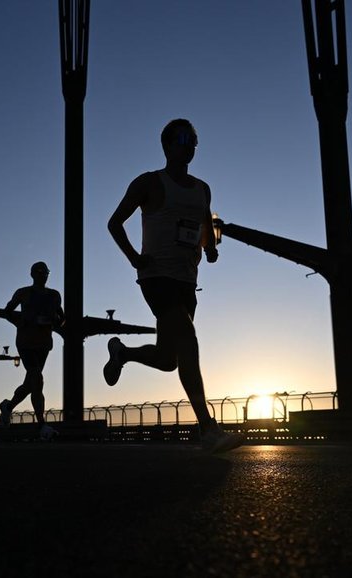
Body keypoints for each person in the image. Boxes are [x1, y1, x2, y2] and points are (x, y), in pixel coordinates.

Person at [104, 118, 245, 453]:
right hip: (156, 277)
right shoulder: (149, 182)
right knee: (188, 338)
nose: (189, 145)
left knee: (169, 359)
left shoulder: (202, 189)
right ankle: (207, 428)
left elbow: (206, 226)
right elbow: (114, 223)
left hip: (186, 280)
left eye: (193, 139)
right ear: (166, 145)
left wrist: (210, 248)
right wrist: (134, 258)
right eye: (182, 139)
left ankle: (123, 353)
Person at [0, 262, 65, 441]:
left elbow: (61, 317)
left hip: (43, 344)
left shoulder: (54, 295)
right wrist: (19, 323)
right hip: (25, 343)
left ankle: (8, 406)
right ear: (32, 274)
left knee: (30, 384)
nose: (43, 275)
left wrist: (55, 321)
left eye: (46, 272)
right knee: (37, 378)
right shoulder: (23, 292)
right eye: (39, 272)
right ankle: (42, 425)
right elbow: (7, 311)